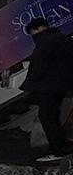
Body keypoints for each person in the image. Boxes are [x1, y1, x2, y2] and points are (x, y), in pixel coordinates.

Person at [21, 17, 73, 162]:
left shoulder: (44, 42)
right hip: (63, 85)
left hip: (49, 85)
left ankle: (57, 151)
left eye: (32, 32)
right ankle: (62, 148)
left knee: (47, 116)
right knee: (52, 115)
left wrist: (30, 84)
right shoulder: (65, 39)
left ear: (37, 29)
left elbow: (39, 66)